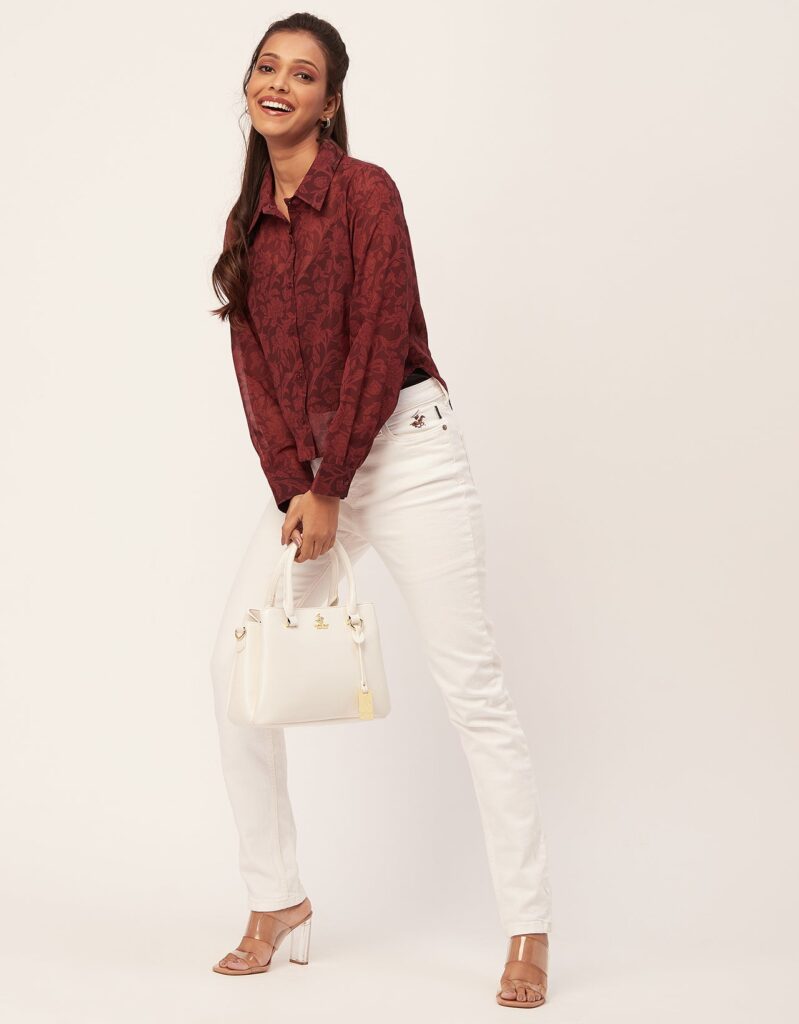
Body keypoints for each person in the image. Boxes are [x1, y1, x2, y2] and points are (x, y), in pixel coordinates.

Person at [209, 12, 553, 1008]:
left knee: (472, 689)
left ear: (330, 101)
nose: (278, 84)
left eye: (301, 74)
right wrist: (296, 485)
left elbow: (375, 337)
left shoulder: (366, 192)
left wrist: (330, 485)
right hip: (312, 478)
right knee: (233, 671)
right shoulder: (245, 228)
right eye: (266, 67)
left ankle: (527, 925)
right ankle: (277, 898)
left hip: (405, 451)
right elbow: (255, 377)